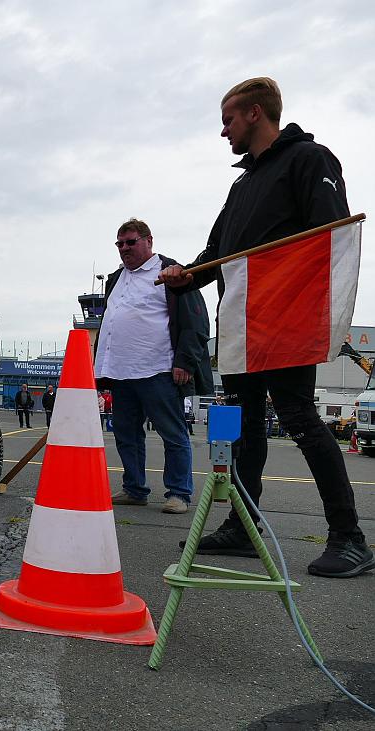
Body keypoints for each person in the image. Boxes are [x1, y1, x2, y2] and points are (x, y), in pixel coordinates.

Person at [158, 77, 372, 577]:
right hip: (242, 323)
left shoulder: (309, 159)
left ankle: (349, 536)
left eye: (228, 120)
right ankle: (243, 524)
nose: (223, 132)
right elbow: (220, 253)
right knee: (245, 427)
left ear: (255, 114)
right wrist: (185, 277)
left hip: (285, 319)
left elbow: (330, 238)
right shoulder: (242, 183)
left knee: (299, 418)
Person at [95, 217, 213, 515]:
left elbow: (196, 320)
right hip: (121, 371)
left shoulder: (171, 272)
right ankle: (135, 488)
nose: (124, 248)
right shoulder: (116, 278)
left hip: (157, 369)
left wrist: (184, 361)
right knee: (126, 433)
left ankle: (179, 493)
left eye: (131, 242)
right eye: (119, 244)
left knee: (172, 433)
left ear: (149, 241)